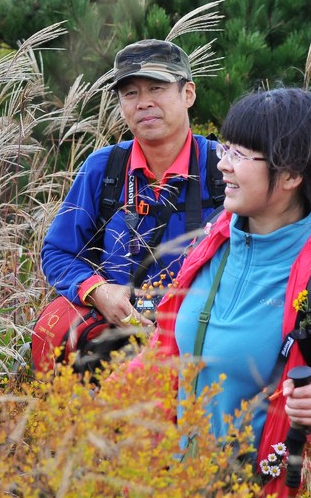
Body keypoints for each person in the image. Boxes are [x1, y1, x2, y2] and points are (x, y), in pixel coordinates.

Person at [125, 88, 311, 498]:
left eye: (240, 154)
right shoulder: (216, 239)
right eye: (224, 148)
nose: (222, 164)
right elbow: (167, 346)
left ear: (290, 174)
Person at [39, 39, 224, 333]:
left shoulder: (223, 167)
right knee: (55, 328)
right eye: (130, 93)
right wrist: (98, 291)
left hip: (206, 335)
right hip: (118, 333)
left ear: (188, 93)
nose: (143, 102)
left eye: (156, 88)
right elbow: (57, 252)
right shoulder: (103, 168)